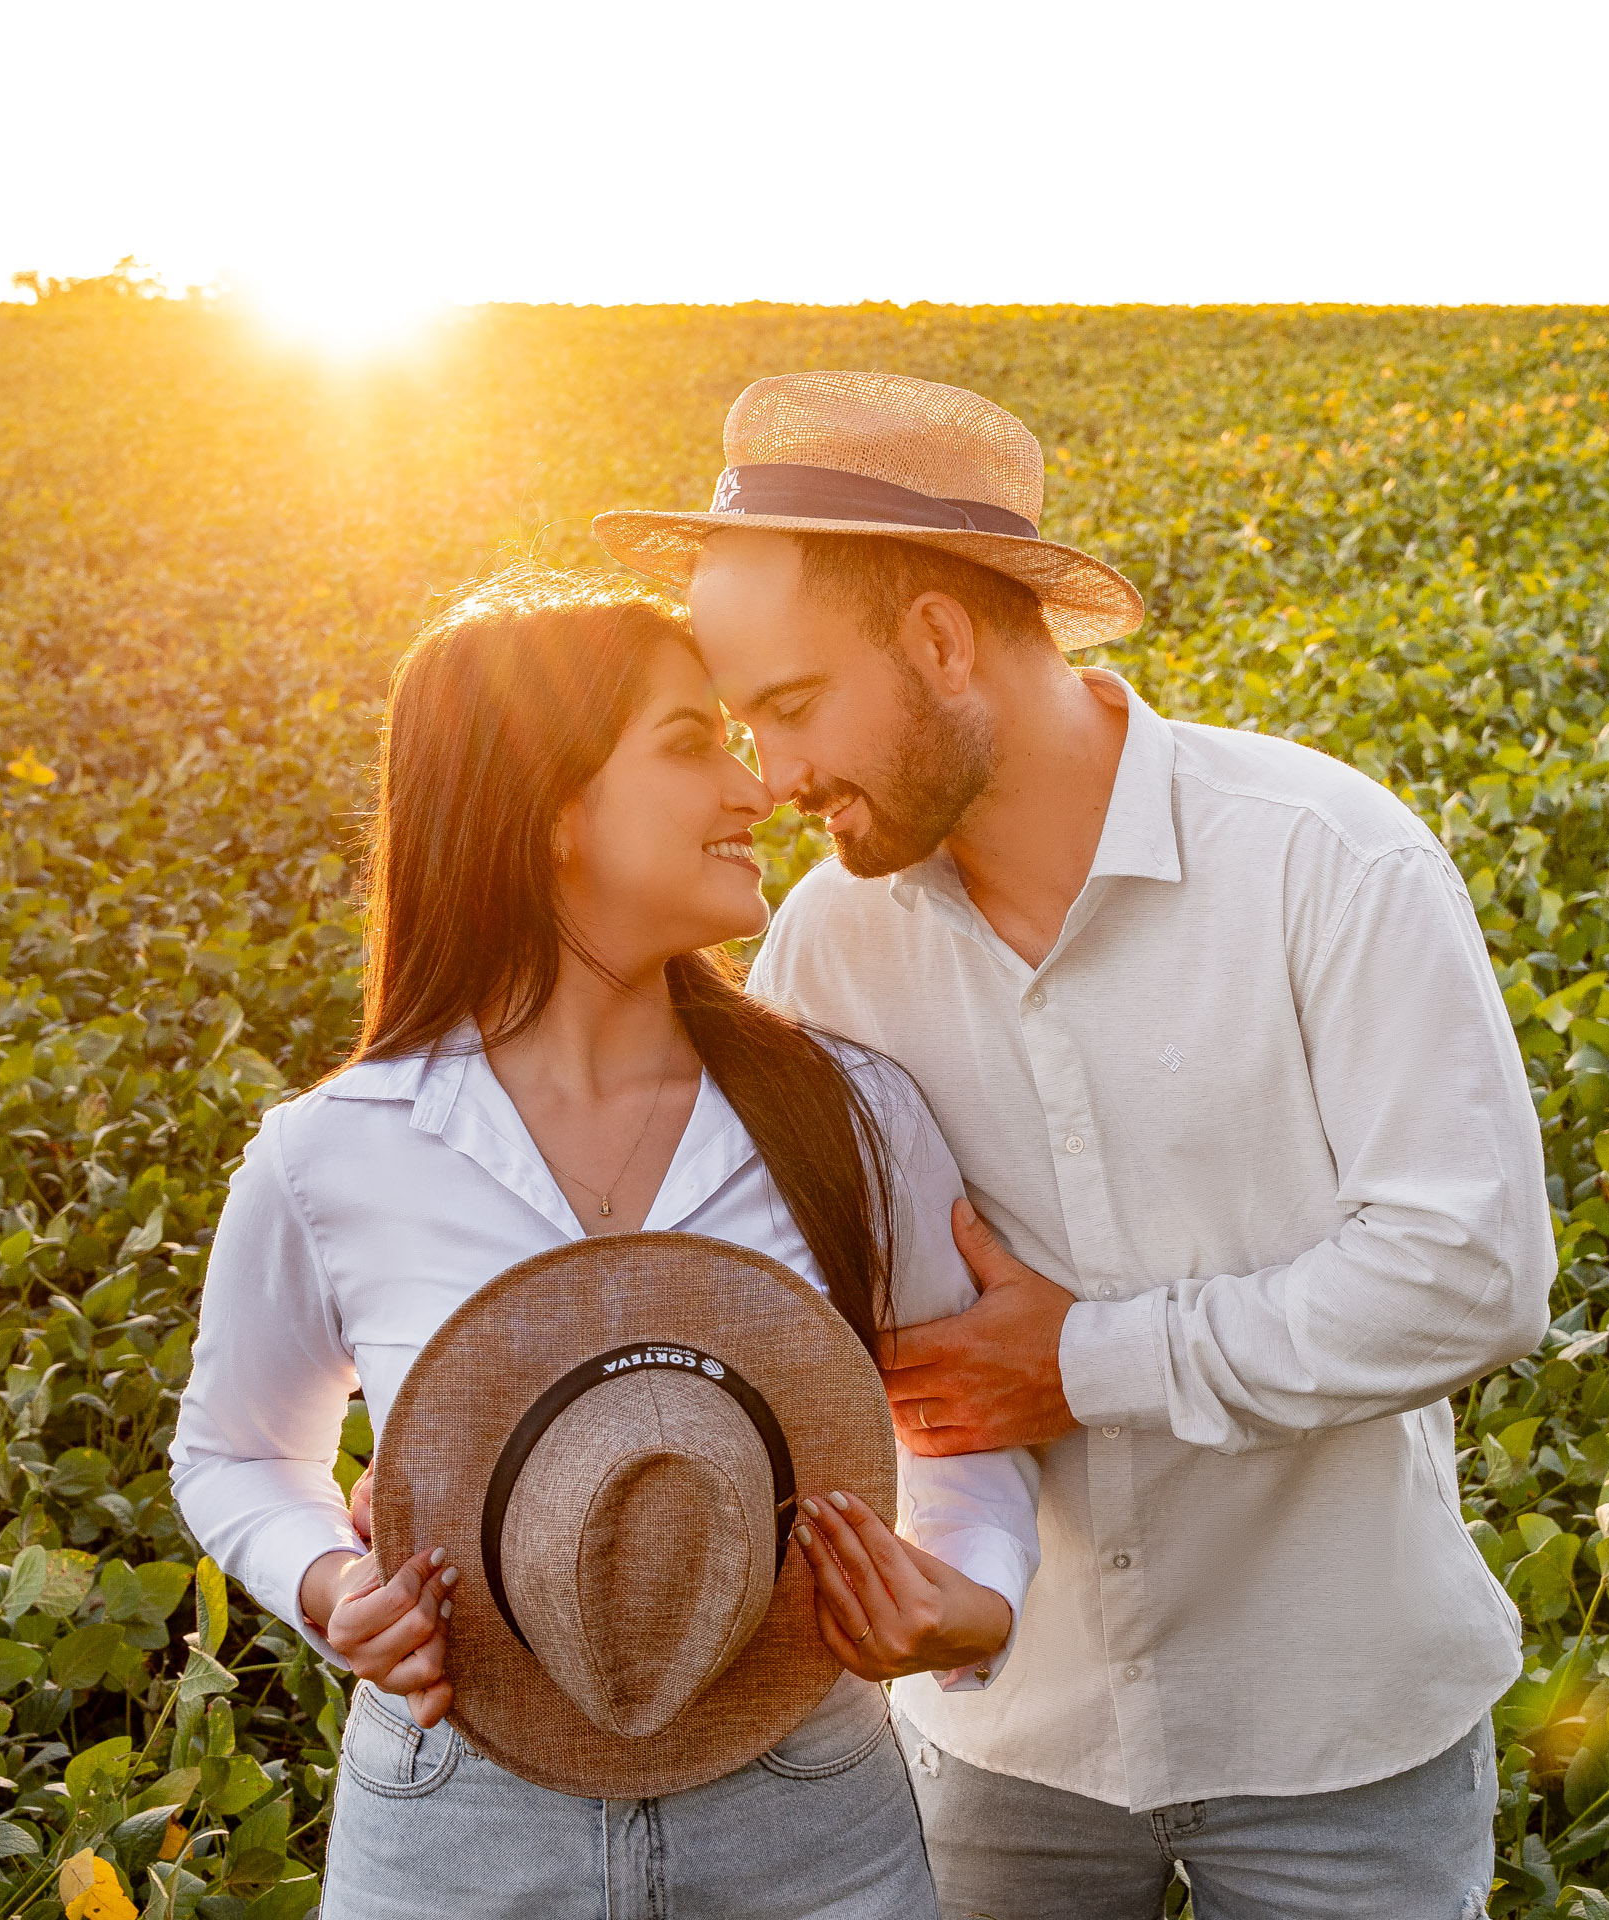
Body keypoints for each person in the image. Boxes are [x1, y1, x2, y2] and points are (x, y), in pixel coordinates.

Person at [591, 371, 1558, 1919]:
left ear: (936, 640)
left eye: (789, 708)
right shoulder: (828, 948)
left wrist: (1084, 1361)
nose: (767, 780)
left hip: (1342, 1730)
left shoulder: (1329, 863)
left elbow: (1471, 1276)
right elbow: (754, 1295)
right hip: (996, 1737)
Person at [169, 573, 1041, 1918]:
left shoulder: (853, 1115)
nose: (757, 791)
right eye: (692, 744)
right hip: (456, 1818)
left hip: (808, 1810)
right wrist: (332, 1583)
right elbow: (234, 1453)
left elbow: (961, 1428)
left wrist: (973, 1601)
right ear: (547, 805)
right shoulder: (334, 1151)